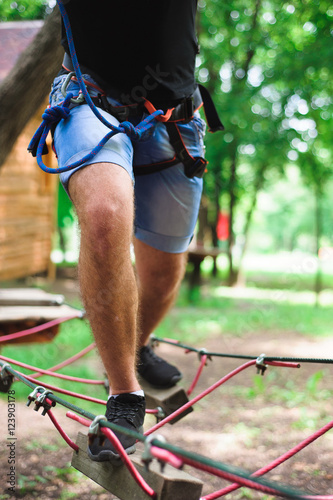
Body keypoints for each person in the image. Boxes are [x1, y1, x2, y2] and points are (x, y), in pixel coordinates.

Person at [48, 0, 220, 464]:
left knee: (162, 273)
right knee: (105, 216)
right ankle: (125, 395)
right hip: (88, 96)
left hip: (176, 115)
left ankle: (137, 345)